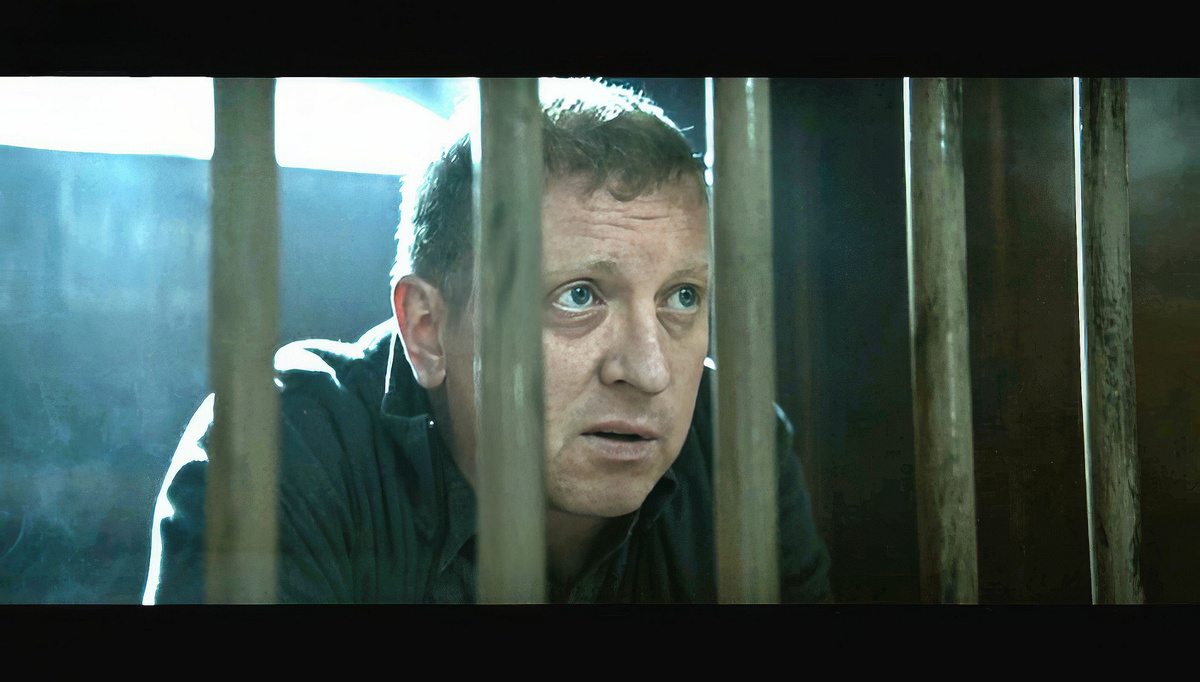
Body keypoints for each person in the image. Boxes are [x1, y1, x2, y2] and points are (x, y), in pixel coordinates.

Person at [144, 78, 830, 604]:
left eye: (682, 297)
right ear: (426, 329)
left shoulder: (738, 448)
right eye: (579, 296)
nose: (650, 371)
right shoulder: (279, 445)